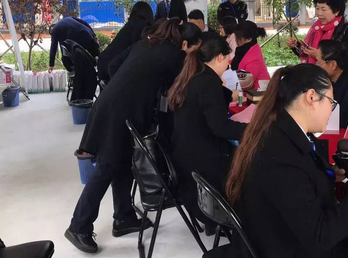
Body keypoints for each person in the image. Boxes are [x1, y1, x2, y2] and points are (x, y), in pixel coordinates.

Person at [65, 20, 202, 254]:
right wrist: (136, 95)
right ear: (185, 44)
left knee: (122, 164)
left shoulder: (146, 43)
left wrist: (129, 88)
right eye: (194, 51)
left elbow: (114, 65)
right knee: (106, 168)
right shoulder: (174, 57)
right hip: (120, 114)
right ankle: (78, 226)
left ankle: (124, 217)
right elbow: (181, 90)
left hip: (109, 103)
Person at [226, 64, 348, 258]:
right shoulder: (280, 155)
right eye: (331, 102)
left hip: (276, 236)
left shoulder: (275, 130)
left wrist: (327, 173)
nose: (331, 111)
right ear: (311, 97)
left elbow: (297, 179)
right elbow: (318, 237)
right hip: (287, 248)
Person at [168, 33, 246, 213]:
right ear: (219, 57)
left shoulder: (193, 75)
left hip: (186, 162)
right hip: (204, 168)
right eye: (227, 60)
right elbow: (221, 128)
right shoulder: (208, 83)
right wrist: (254, 130)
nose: (228, 65)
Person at [287, 0, 348, 64]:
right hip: (313, 71)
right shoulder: (316, 28)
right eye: (317, 8)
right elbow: (307, 54)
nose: (319, 13)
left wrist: (320, 56)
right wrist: (296, 46)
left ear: (337, 11)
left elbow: (347, 60)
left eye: (323, 9)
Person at [97, 2, 154, 83]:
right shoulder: (141, 26)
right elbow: (138, 50)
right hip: (113, 65)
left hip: (105, 61)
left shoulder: (131, 24)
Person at [230, 20, 270, 89]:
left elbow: (245, 82)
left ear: (249, 39)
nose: (236, 40)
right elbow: (231, 63)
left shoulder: (254, 58)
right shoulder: (243, 51)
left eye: (239, 38)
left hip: (256, 92)